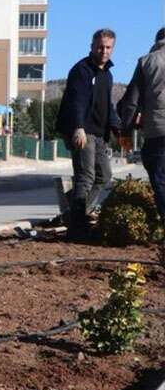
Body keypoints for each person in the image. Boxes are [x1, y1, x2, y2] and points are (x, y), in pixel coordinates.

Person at [56, 28, 122, 239]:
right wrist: (78, 127)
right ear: (92, 47)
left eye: (108, 47)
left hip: (99, 133)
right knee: (86, 176)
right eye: (100, 46)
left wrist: (118, 129)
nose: (104, 51)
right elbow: (76, 101)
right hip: (83, 131)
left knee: (104, 175)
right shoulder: (82, 70)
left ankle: (77, 212)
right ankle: (77, 226)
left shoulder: (107, 74)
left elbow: (107, 106)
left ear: (113, 48)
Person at [118, 27, 165, 221]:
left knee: (161, 181)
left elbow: (130, 102)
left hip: (158, 131)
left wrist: (126, 131)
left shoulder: (147, 61)